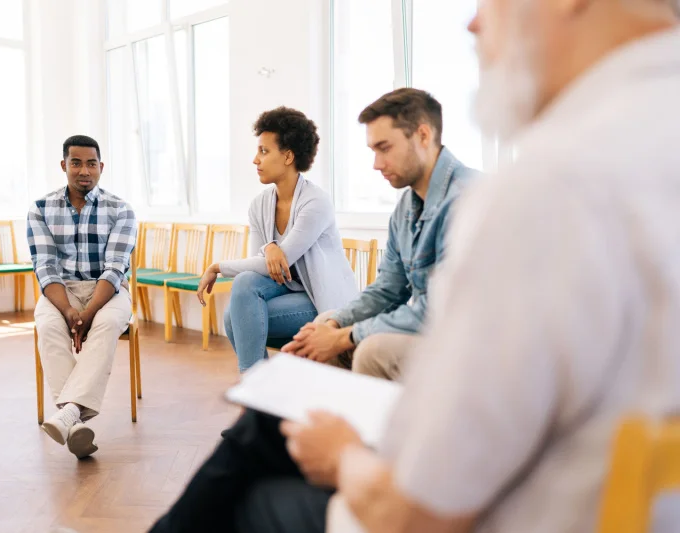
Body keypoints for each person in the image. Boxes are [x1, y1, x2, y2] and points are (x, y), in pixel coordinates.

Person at [147, 0, 680, 531]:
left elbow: (419, 510)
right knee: (269, 416)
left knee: (259, 474)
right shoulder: (643, 140)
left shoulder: (544, 187)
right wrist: (335, 323)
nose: (473, 21)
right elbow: (388, 288)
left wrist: (344, 454)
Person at [281, 88, 474, 381]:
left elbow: (441, 310)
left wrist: (347, 336)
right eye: (373, 151)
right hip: (434, 333)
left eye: (385, 148)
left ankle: (378, 426)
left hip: (477, 342)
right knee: (325, 322)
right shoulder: (406, 209)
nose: (377, 164)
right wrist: (335, 323)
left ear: (423, 135)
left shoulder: (469, 200)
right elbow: (388, 288)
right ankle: (344, 421)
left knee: (374, 350)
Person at [197, 107, 358, 373]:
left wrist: (217, 267)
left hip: (323, 303)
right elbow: (259, 267)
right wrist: (268, 248)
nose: (255, 160)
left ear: (288, 156)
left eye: (263, 151)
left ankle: (255, 390)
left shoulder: (314, 202)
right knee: (244, 286)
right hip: (289, 292)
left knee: (232, 317)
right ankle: (259, 387)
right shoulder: (260, 204)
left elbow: (283, 259)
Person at [28, 135, 136, 459]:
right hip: (60, 291)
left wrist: (87, 313)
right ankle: (74, 425)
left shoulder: (122, 210)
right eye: (76, 163)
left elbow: (116, 269)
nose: (84, 170)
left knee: (106, 326)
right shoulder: (40, 210)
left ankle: (68, 412)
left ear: (101, 167)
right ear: (64, 166)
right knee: (48, 329)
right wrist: (67, 309)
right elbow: (45, 268)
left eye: (91, 163)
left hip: (108, 291)